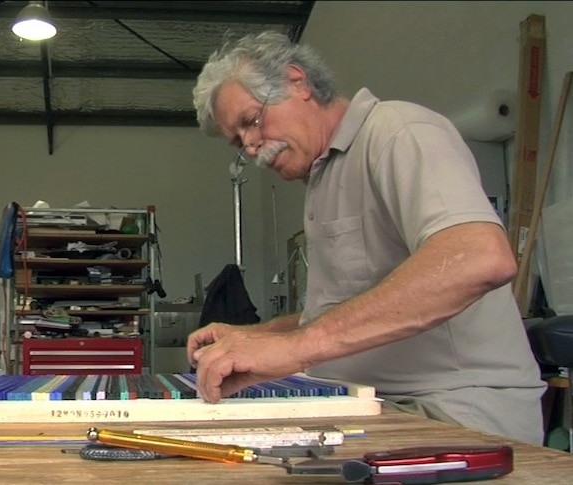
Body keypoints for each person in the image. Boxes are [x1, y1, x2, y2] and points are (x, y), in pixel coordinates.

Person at [188, 30, 546, 445]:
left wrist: (299, 347)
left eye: (251, 122)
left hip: (450, 410)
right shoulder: (323, 177)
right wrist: (260, 336)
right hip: (374, 401)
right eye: (238, 141)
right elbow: (347, 311)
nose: (250, 146)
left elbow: (479, 257)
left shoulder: (399, 131)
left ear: (296, 82)